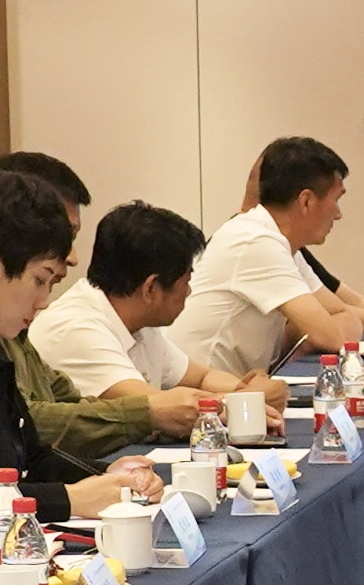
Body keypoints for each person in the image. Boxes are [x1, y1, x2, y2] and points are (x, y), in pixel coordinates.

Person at [0, 162, 166, 524]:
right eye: (40, 280)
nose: (43, 301)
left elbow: (32, 459)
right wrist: (71, 499)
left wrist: (105, 475)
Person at [0, 153, 187, 469]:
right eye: (61, 238)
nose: (73, 258)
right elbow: (27, 422)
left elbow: (63, 401)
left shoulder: (9, 322)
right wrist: (148, 414)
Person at [181, 136, 364, 378]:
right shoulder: (256, 241)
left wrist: (312, 336)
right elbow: (332, 337)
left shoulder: (281, 243)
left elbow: (344, 315)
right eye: (336, 200)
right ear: (306, 201)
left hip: (237, 387)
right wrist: (311, 337)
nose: (338, 214)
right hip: (200, 391)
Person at [26, 165, 230, 408]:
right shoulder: (75, 328)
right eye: (186, 281)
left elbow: (203, 377)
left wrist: (245, 391)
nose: (189, 292)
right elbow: (157, 408)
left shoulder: (139, 324)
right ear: (150, 288)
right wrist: (244, 401)